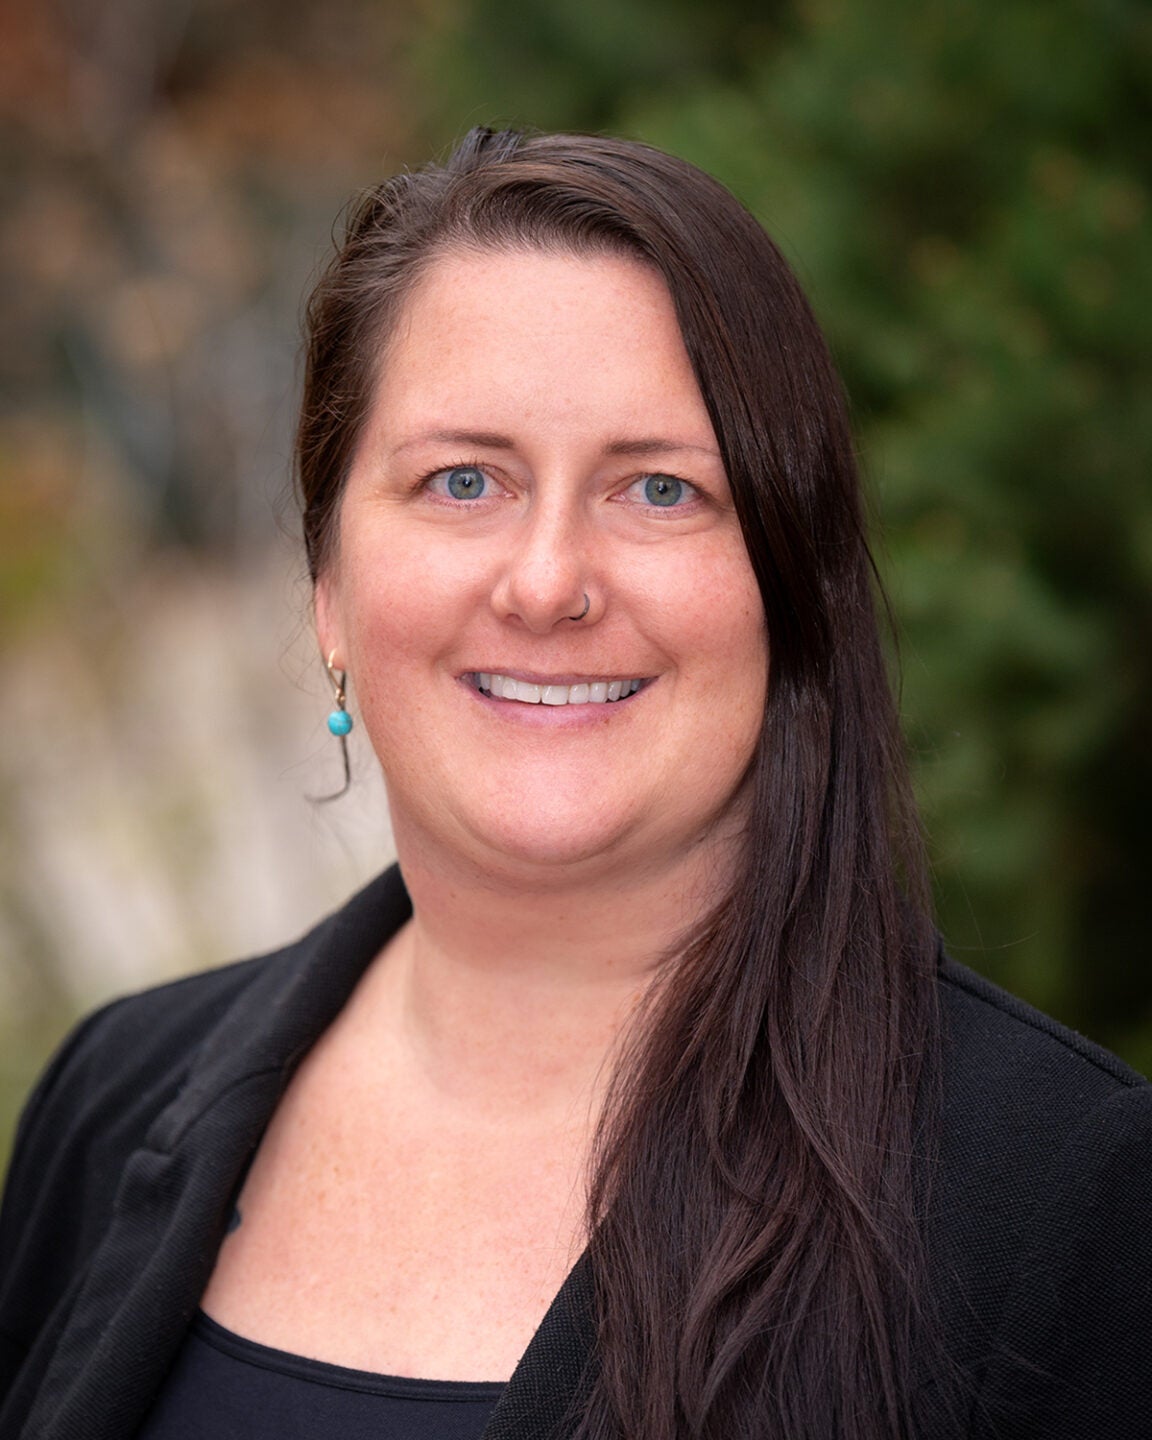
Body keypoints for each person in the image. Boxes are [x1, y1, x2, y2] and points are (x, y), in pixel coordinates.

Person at [0, 128, 1149, 1440]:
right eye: (463, 481)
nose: (547, 583)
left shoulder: (1063, 1201)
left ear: (790, 585)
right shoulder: (113, 1100)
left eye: (660, 489)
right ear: (328, 589)